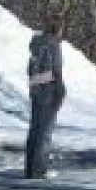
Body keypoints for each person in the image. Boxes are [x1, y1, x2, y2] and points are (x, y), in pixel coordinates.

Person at [25, 21, 66, 179]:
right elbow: (56, 71)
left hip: (36, 91)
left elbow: (31, 71)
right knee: (45, 133)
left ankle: (30, 169)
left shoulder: (36, 45)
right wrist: (60, 91)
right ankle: (39, 170)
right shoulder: (53, 46)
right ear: (57, 30)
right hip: (49, 92)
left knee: (34, 131)